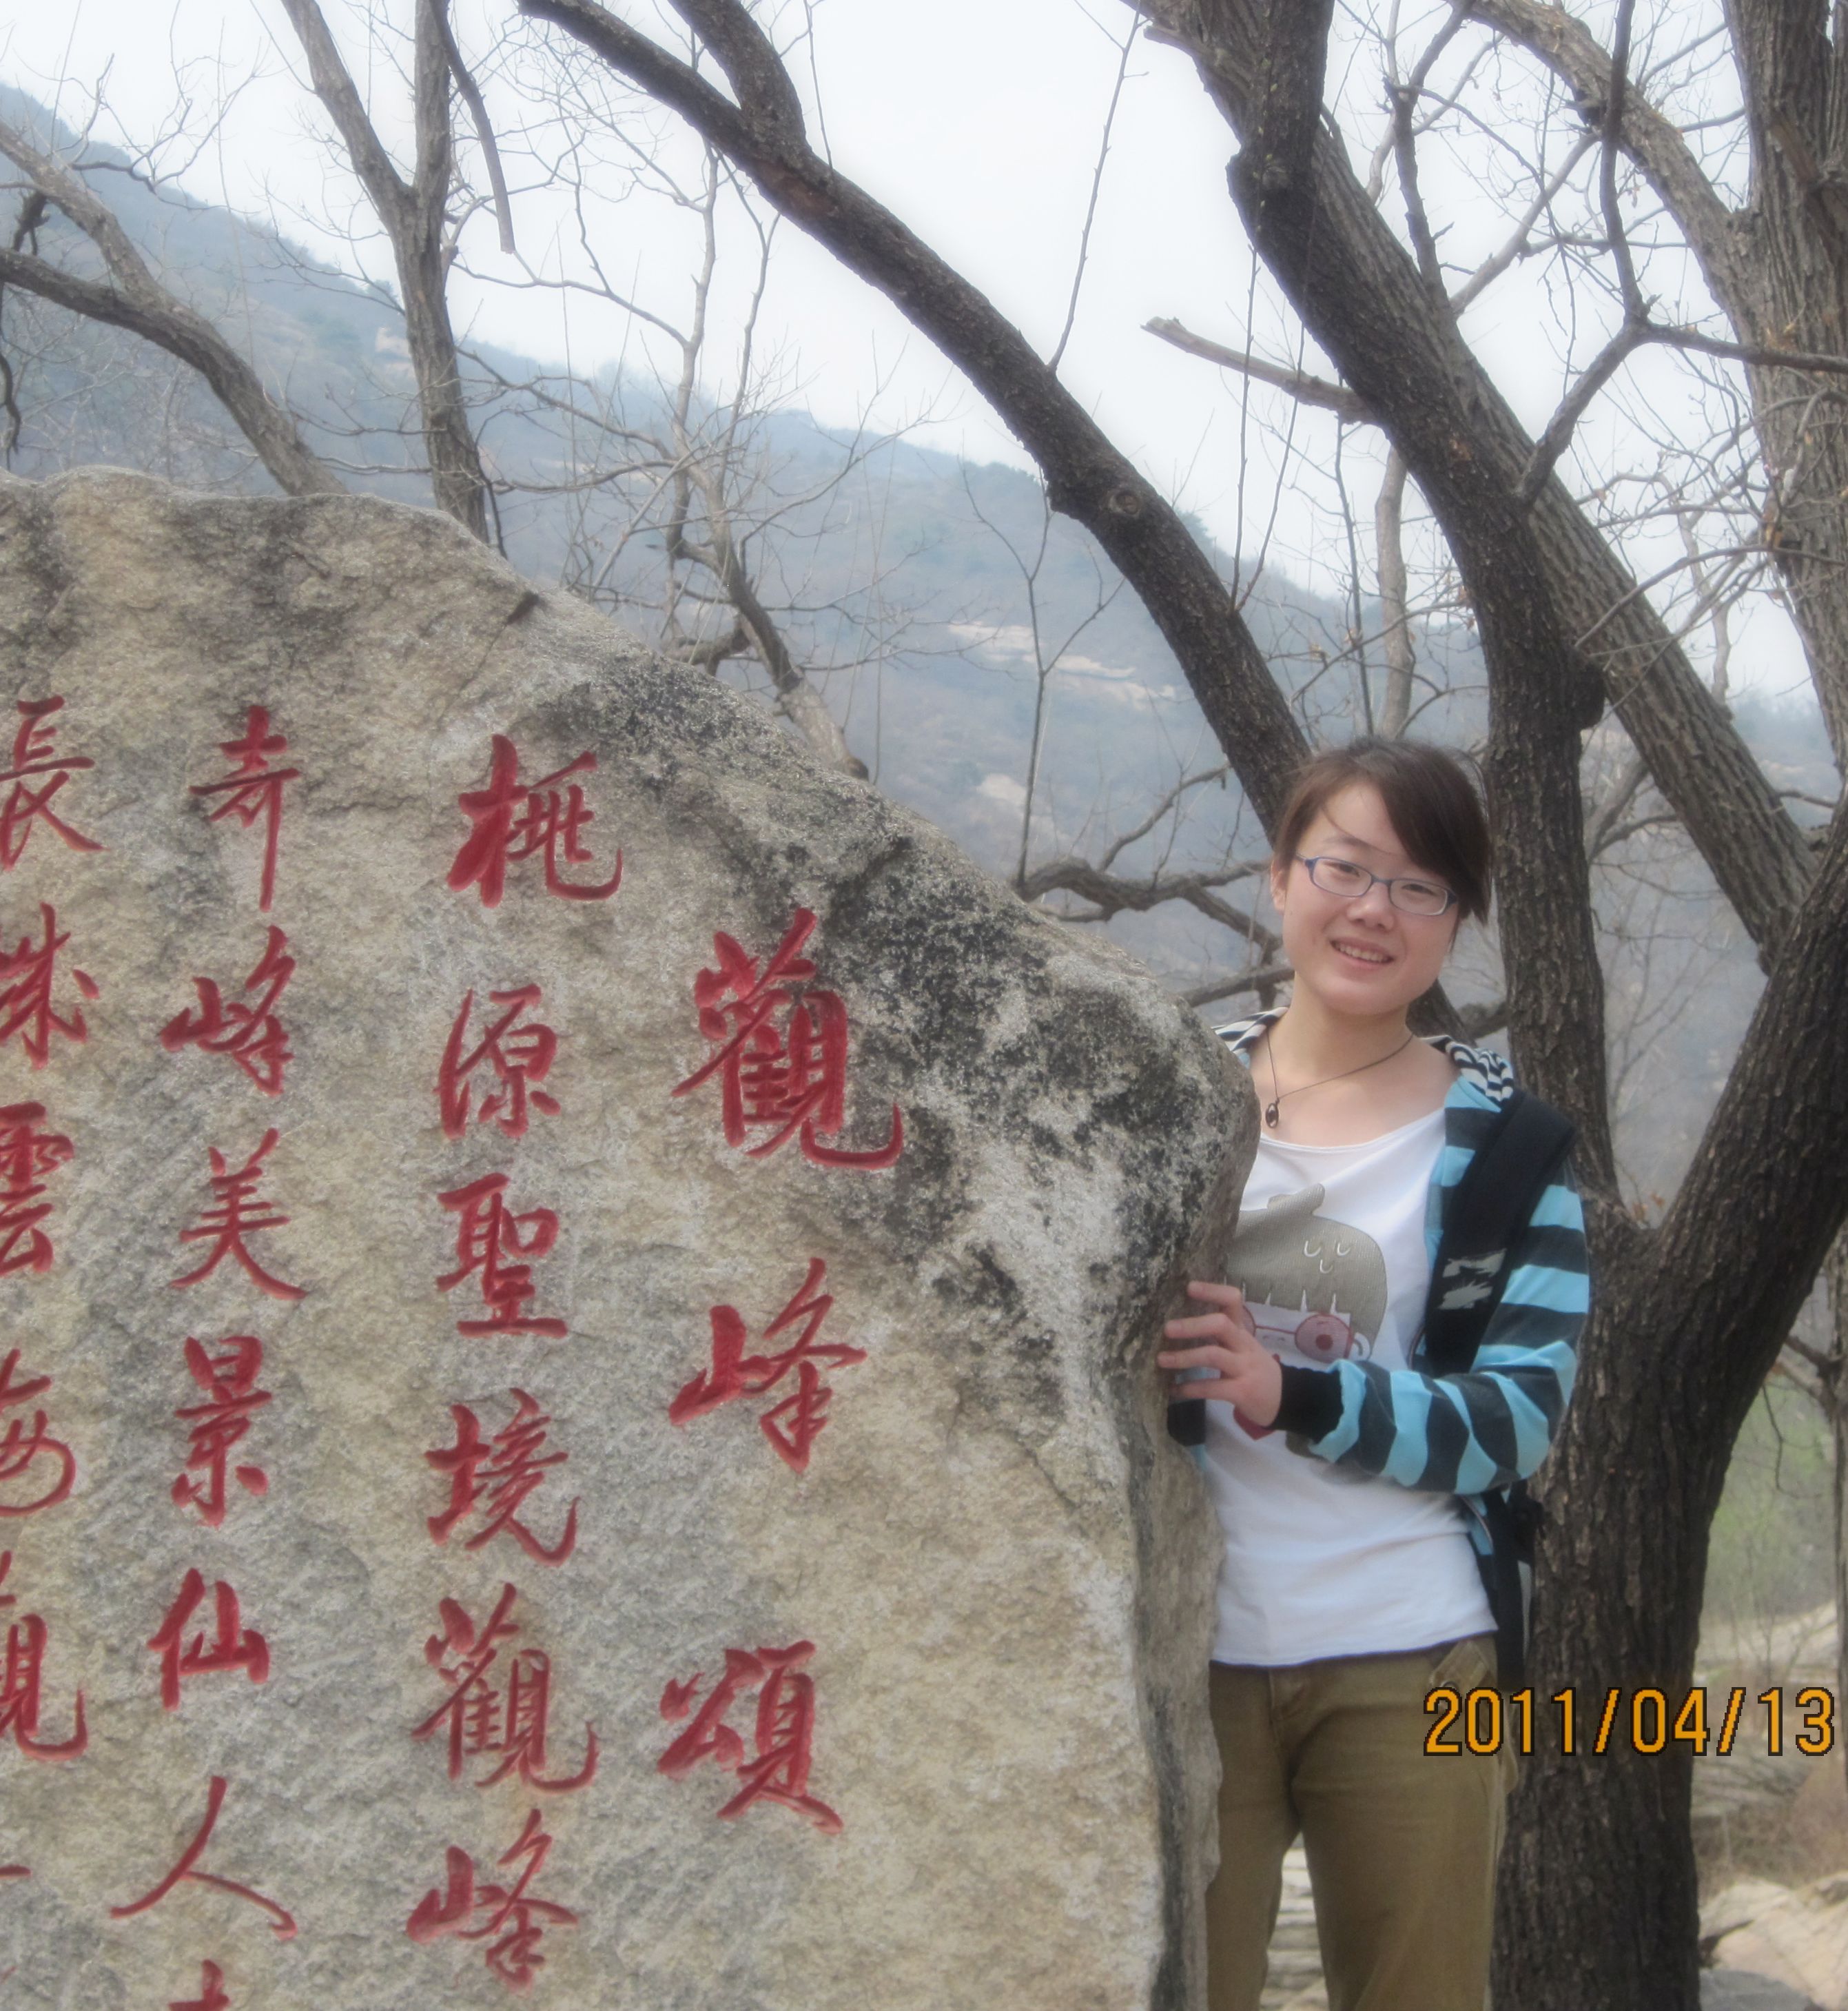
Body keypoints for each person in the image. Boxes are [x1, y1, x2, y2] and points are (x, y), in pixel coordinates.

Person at [1155, 738, 1588, 2011]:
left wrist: (1295, 1393)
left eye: (1417, 885)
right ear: (1279, 876)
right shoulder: (1166, 1094)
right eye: (1342, 867)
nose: (1372, 910)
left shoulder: (1510, 1148)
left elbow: (1518, 1417)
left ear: (1456, 919)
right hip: (1184, 1645)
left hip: (1418, 1649)